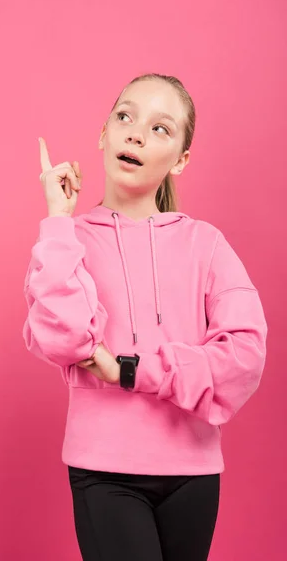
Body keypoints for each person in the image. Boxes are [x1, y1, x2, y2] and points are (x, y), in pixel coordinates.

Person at [22, 73, 268, 561]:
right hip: (105, 471)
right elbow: (66, 339)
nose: (135, 133)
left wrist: (129, 369)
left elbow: (245, 354)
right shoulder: (68, 239)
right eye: (125, 116)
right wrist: (57, 218)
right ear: (104, 134)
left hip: (194, 474)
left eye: (161, 128)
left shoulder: (206, 243)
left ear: (181, 160)